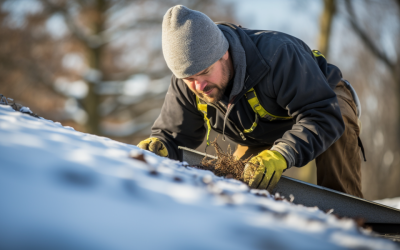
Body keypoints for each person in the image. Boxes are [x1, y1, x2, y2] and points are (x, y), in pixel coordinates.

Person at [137, 5, 364, 198]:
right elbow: (171, 137)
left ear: (224, 52)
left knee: (339, 120)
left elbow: (321, 114)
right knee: (237, 185)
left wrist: (283, 153)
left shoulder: (279, 55)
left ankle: (352, 221)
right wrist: (161, 146)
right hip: (259, 127)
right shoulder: (187, 84)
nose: (199, 86)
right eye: (189, 79)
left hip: (323, 100)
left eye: (205, 72)